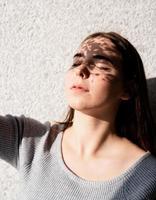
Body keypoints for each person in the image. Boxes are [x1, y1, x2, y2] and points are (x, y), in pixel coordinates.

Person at [0, 31, 156, 200]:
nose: (81, 70)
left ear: (128, 89)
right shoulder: (31, 140)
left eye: (101, 66)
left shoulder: (146, 177)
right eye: (76, 62)